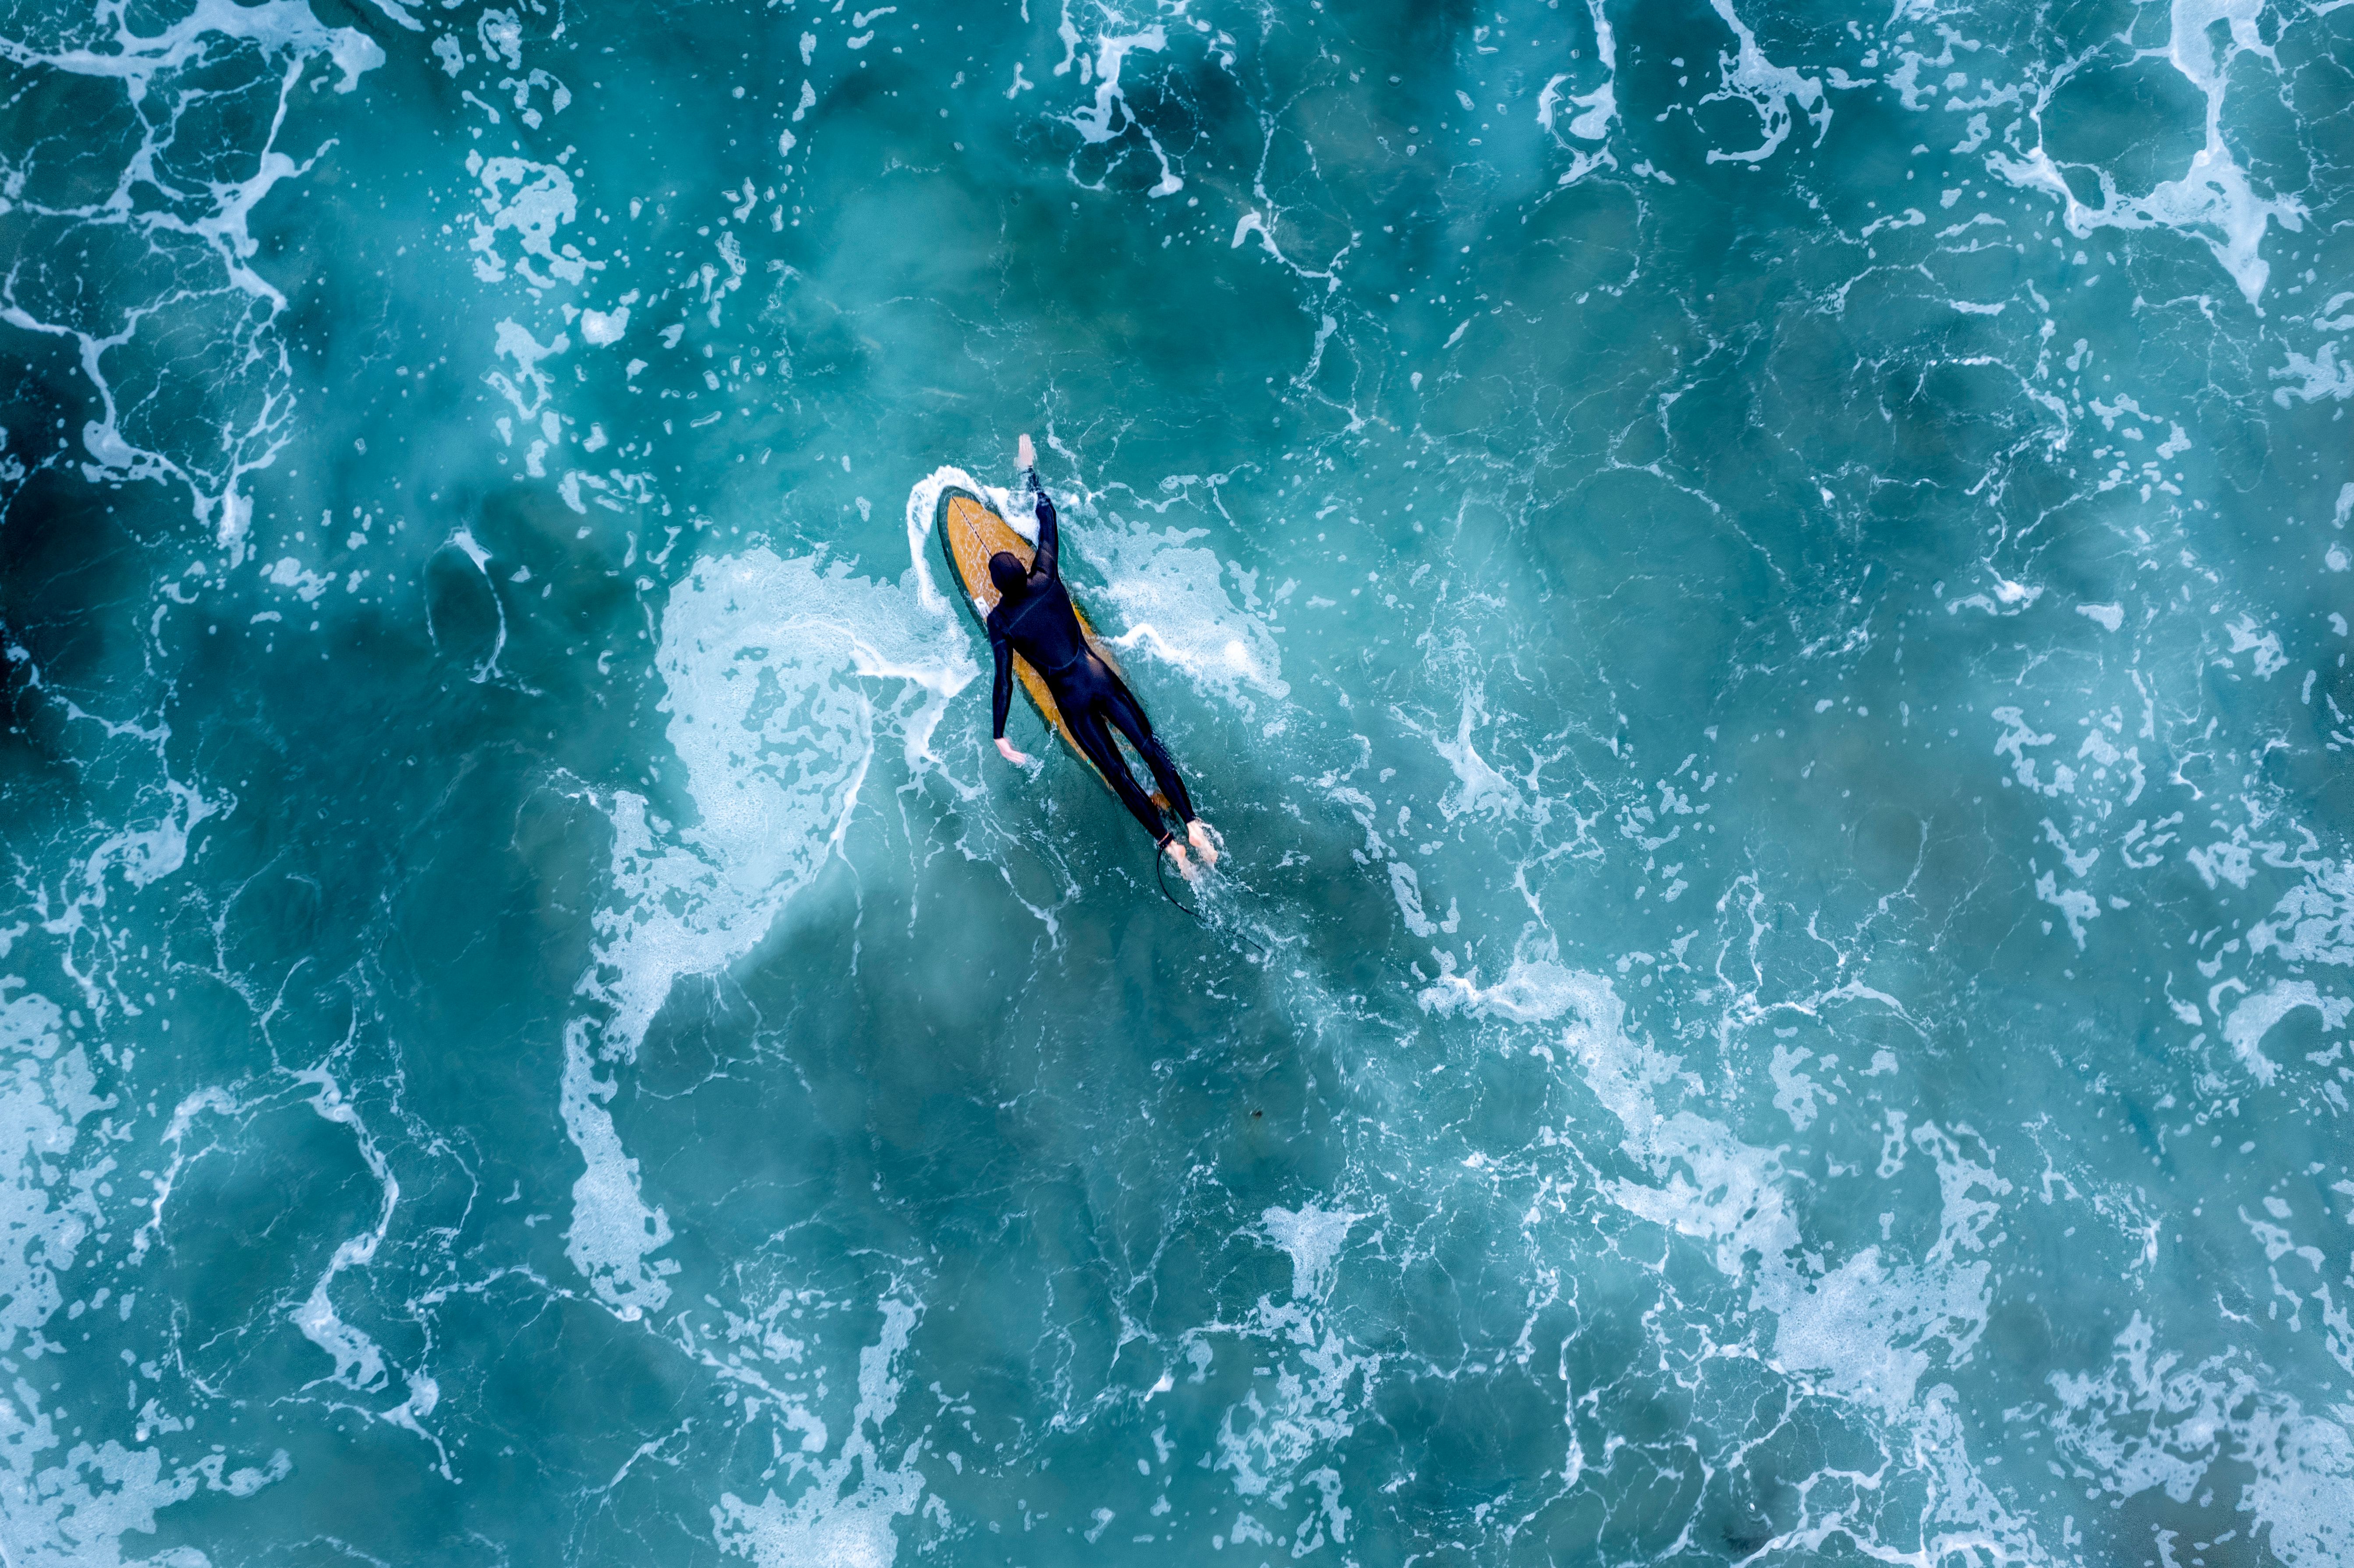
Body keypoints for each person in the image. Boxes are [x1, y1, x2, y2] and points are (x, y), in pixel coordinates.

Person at [989, 435, 1219, 877]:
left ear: (998, 590)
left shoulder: (1000, 623)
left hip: (1072, 703)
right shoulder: (1046, 574)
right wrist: (1029, 472)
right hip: (1098, 677)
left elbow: (1003, 680)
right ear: (1025, 568)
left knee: (1119, 773)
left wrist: (1000, 733)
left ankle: (1169, 845)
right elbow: (1047, 517)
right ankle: (1193, 826)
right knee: (1150, 748)